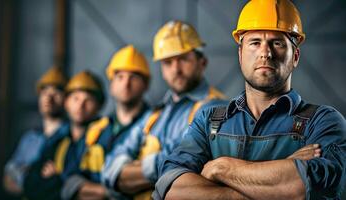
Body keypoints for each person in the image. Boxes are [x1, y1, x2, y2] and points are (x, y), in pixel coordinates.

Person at [153, 0, 346, 199]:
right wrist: (275, 183)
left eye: (277, 43)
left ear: (295, 56)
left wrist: (221, 168)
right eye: (255, 43)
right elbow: (171, 189)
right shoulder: (208, 120)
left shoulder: (323, 122)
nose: (265, 53)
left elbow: (301, 187)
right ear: (240, 54)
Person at [102, 20, 226, 200]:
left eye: (183, 59)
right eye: (168, 62)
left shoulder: (216, 109)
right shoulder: (155, 114)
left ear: (202, 62)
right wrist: (162, 168)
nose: (176, 69)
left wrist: (133, 169)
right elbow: (109, 169)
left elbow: (188, 164)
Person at [74, 45, 151, 200]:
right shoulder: (95, 130)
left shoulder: (157, 126)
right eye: (120, 77)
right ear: (111, 84)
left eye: (134, 77)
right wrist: (111, 192)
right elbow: (70, 182)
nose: (126, 84)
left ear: (146, 85)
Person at [24, 70, 107, 200]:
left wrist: (58, 179)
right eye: (75, 98)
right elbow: (31, 184)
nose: (80, 105)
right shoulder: (58, 140)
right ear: (66, 102)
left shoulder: (105, 136)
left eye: (88, 100)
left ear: (99, 106)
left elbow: (106, 191)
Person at [3, 66, 67, 196]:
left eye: (56, 93)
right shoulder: (29, 139)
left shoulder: (71, 137)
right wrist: (35, 188)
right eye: (44, 93)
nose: (49, 98)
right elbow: (8, 180)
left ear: (67, 99)